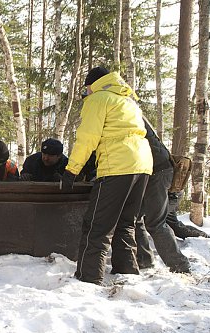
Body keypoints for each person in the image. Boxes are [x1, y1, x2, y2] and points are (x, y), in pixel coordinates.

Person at [61, 67, 153, 285]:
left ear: (93, 84)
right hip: (142, 165)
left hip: (117, 165)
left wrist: (71, 169)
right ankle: (126, 272)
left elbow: (87, 138)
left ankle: (88, 278)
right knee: (125, 223)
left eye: (86, 88)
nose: (85, 92)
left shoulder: (98, 99)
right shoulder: (127, 101)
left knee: (97, 225)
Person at [135, 118, 191, 273]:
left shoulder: (126, 112)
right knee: (135, 216)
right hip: (155, 170)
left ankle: (180, 266)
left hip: (158, 171)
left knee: (155, 223)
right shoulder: (130, 109)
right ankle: (145, 260)